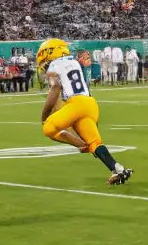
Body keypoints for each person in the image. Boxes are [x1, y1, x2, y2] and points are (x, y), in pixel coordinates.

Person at [36, 38, 131, 185]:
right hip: (90, 104)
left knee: (48, 128)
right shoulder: (74, 62)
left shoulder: (54, 65)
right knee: (95, 143)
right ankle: (118, 170)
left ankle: (80, 145)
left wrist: (44, 116)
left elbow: (55, 88)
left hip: (76, 104)